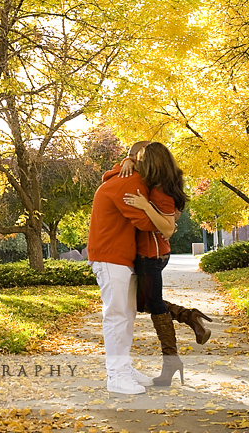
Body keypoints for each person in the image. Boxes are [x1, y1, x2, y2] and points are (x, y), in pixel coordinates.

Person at [121, 141, 213, 386]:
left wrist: (145, 206)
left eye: (140, 158)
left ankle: (172, 359)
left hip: (150, 256)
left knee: (153, 306)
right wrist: (126, 161)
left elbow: (168, 228)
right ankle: (190, 319)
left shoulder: (160, 191)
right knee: (146, 303)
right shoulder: (161, 184)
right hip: (153, 255)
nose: (137, 161)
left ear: (153, 162)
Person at [87, 141, 161, 395]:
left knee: (126, 315)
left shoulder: (127, 174)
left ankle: (124, 368)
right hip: (111, 256)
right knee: (117, 316)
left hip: (119, 256)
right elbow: (146, 223)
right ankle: (116, 375)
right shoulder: (130, 180)